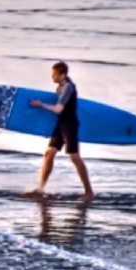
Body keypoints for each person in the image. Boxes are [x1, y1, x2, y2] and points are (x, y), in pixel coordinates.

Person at [28, 61, 95, 201]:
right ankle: (41, 189)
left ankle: (89, 192)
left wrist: (40, 104)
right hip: (61, 124)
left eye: (54, 74)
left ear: (62, 74)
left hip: (69, 125)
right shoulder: (61, 87)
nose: (52, 76)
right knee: (49, 153)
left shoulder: (68, 87)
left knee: (74, 157)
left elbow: (58, 109)